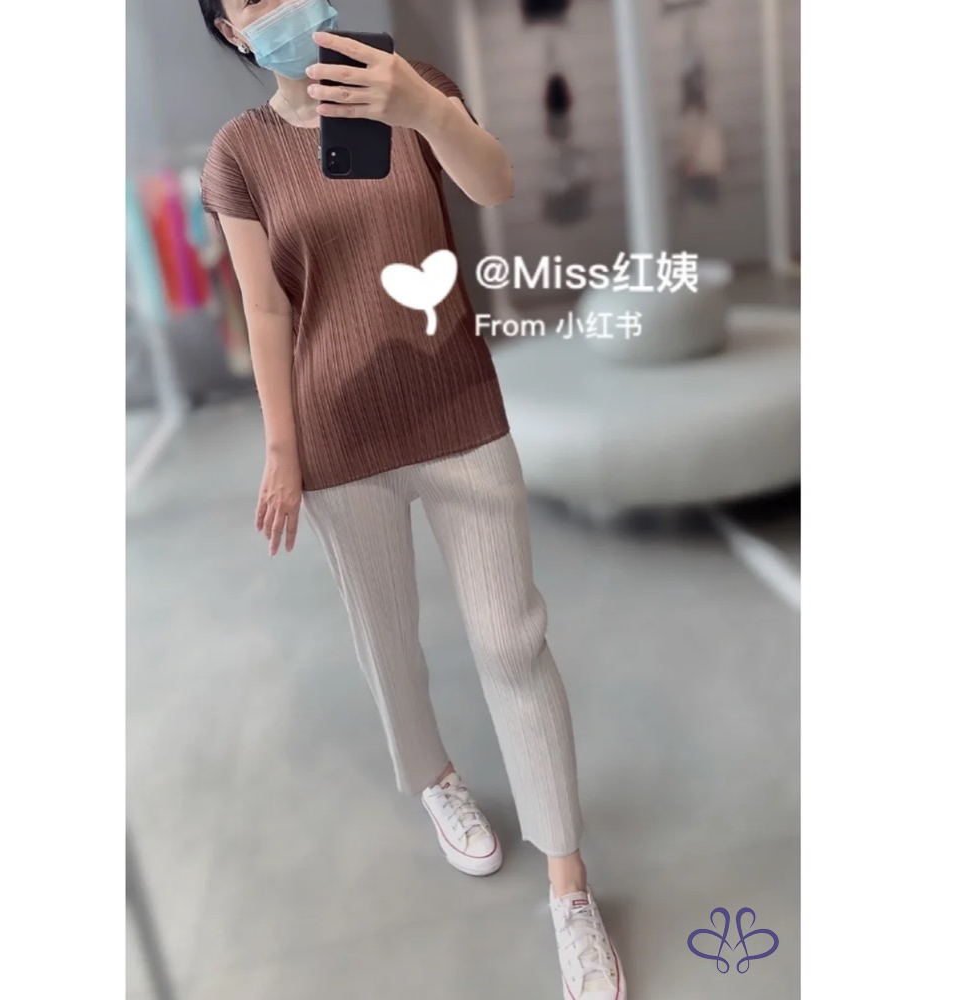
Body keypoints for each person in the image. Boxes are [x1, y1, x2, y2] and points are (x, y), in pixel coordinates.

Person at [197, 2, 625, 995]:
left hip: (458, 407)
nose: (275, 6)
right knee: (387, 641)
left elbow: (496, 183)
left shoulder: (413, 85)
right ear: (230, 32)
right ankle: (435, 779)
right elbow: (265, 305)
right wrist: (281, 450)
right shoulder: (238, 154)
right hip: (339, 435)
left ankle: (568, 885)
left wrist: (424, 111)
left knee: (512, 641)